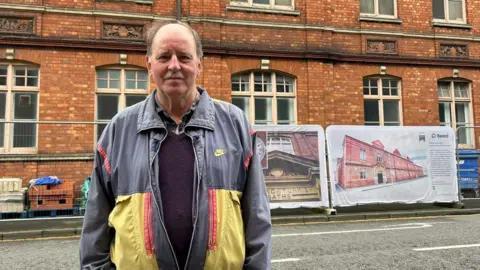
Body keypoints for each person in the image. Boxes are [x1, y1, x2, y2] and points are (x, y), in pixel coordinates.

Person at [79, 20, 272, 270]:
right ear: (149, 64)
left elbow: (257, 219)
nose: (174, 65)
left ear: (199, 64)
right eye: (163, 56)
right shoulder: (119, 130)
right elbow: (95, 227)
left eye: (184, 56)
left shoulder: (235, 124)